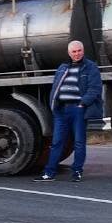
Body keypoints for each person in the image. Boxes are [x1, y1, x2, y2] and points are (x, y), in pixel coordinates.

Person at [37, 40, 104, 182]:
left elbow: (95, 88)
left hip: (78, 110)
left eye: (79, 50)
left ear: (83, 50)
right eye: (74, 51)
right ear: (69, 53)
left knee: (79, 142)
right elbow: (55, 87)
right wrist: (54, 105)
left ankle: (77, 172)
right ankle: (49, 173)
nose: (77, 54)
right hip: (61, 110)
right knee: (57, 142)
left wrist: (82, 103)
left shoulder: (90, 67)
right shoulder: (62, 67)